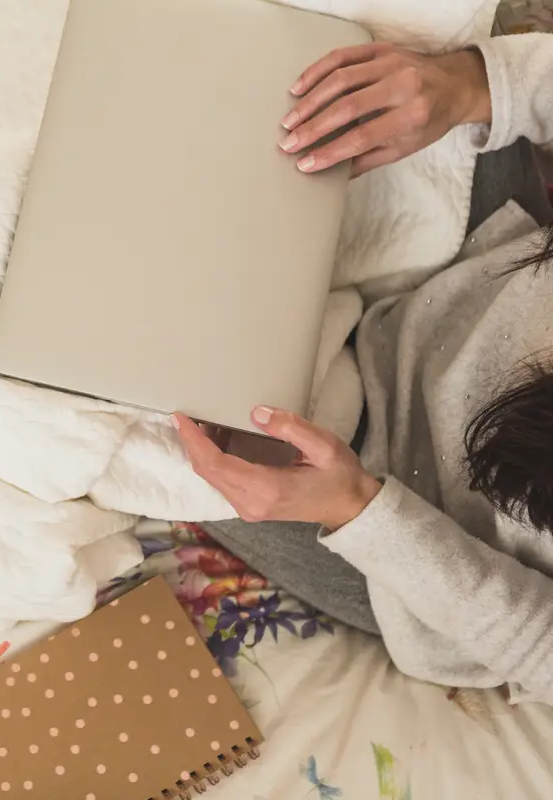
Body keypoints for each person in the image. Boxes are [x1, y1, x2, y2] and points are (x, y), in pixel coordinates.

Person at [175, 34, 553, 704]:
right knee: (335, 66)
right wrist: (470, 83)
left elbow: (537, 642)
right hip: (492, 271)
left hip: (415, 533)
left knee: (153, 422)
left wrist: (359, 511)